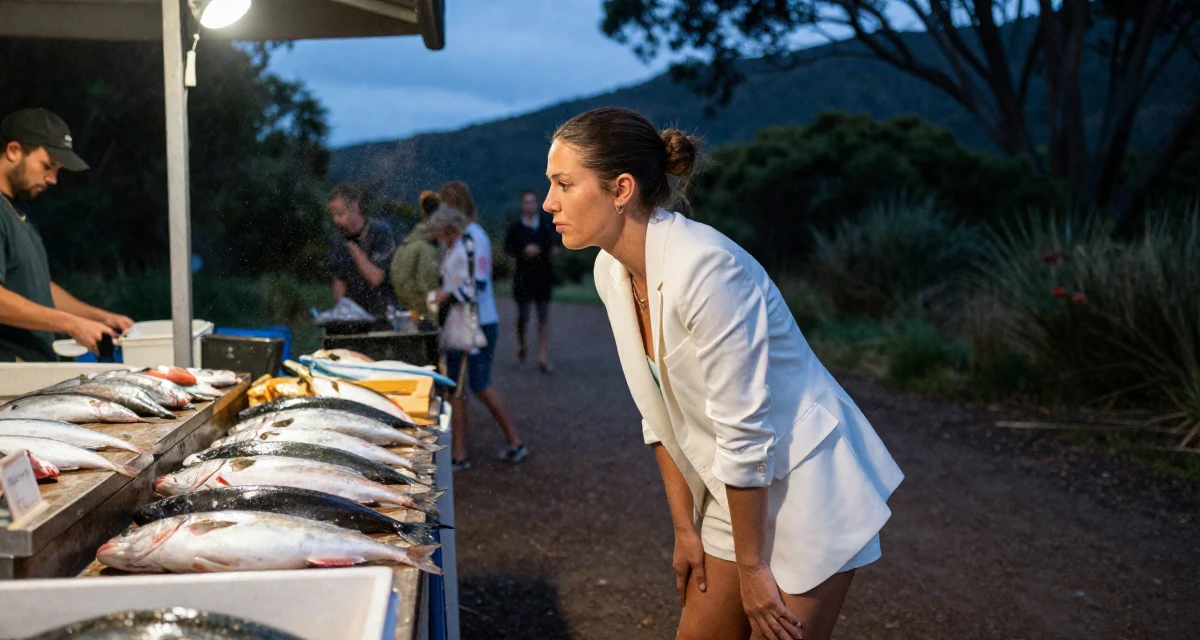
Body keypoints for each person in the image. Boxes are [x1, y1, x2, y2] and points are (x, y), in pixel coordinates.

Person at [543, 107, 903, 640]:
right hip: (736, 488)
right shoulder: (609, 270)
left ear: (621, 188)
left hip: (806, 479)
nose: (550, 202)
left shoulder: (705, 267)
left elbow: (744, 427)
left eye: (563, 184)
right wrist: (686, 528)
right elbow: (657, 412)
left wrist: (753, 569)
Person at [0, 108, 133, 362]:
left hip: (35, 370)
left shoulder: (19, 209)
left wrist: (97, 317)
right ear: (14, 150)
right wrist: (71, 325)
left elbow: (38, 287)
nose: (52, 179)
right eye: (47, 166)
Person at [426, 205, 526, 471]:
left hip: (472, 325)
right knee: (460, 389)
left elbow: (474, 288)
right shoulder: (459, 245)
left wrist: (445, 295)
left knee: (474, 386)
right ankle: (462, 451)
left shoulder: (469, 244)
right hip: (465, 324)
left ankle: (506, 442)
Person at [504, 188, 559, 373]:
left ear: (537, 203)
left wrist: (549, 250)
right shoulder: (515, 227)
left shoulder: (546, 224)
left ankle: (543, 356)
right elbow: (508, 249)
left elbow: (556, 243)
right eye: (526, 202)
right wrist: (523, 250)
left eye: (532, 202)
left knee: (543, 318)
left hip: (543, 277)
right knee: (523, 316)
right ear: (522, 205)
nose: (529, 205)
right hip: (522, 279)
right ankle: (522, 345)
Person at [327, 183, 396, 321]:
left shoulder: (380, 232)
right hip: (355, 317)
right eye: (333, 215)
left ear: (355, 207)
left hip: (382, 314)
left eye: (340, 214)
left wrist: (354, 249)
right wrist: (342, 310)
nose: (336, 220)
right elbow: (338, 278)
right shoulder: (338, 238)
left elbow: (376, 278)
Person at [390, 190, 442, 326]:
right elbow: (429, 289)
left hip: (410, 318)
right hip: (426, 323)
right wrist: (435, 321)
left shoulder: (405, 246)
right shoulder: (426, 250)